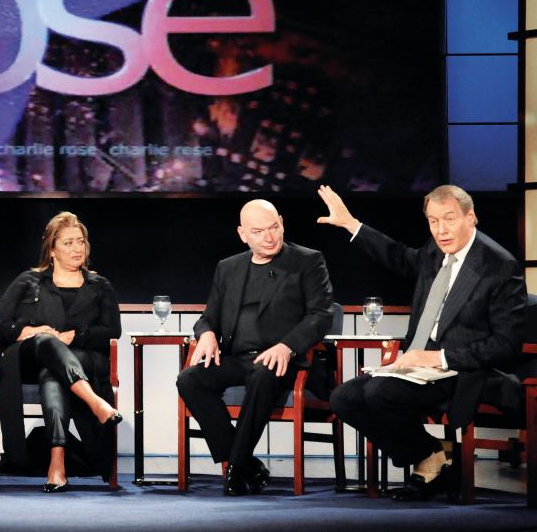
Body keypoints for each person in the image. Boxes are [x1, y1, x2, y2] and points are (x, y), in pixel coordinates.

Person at [317, 184, 525, 501]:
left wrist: (438, 358)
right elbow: (398, 256)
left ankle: (430, 464)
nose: (441, 230)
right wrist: (350, 223)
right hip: (416, 366)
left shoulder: (499, 266)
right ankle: (434, 455)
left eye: (449, 218)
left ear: (472, 218)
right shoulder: (434, 251)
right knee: (344, 398)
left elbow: (506, 343)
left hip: (462, 369)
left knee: (380, 393)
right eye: (433, 221)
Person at [176, 199, 334, 496]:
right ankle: (248, 463)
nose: (270, 236)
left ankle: (235, 467)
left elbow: (321, 315)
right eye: (259, 231)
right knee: (189, 379)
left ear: (282, 223)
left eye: (274, 227)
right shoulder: (228, 268)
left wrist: (287, 347)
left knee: (263, 373)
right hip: (238, 359)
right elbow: (208, 318)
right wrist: (207, 333)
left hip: (285, 361)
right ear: (242, 234)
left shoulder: (308, 261)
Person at [0, 211, 122, 493]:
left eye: (81, 242)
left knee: (53, 372)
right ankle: (95, 402)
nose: (78, 249)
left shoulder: (100, 286)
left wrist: (75, 335)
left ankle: (57, 464)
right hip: (28, 359)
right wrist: (27, 331)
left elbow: (112, 330)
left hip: (84, 359)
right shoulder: (29, 281)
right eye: (69, 243)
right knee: (47, 342)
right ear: (52, 250)